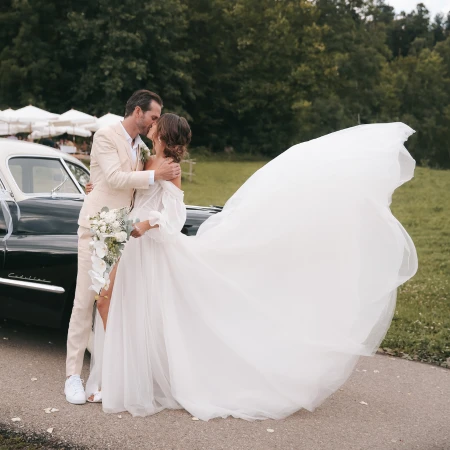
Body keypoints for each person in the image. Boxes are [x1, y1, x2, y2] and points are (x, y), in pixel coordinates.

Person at [84, 117, 418, 421]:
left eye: (157, 123)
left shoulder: (171, 167)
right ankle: (127, 381)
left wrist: (146, 224)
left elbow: (175, 216)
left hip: (153, 249)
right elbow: (126, 185)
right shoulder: (145, 159)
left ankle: (162, 382)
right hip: (134, 249)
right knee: (134, 312)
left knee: (160, 315)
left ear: (162, 134)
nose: (151, 125)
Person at [65, 90, 182, 405]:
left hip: (121, 229)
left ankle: (108, 374)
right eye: (154, 117)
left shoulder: (143, 148)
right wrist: (154, 174)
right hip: (99, 223)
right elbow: (115, 177)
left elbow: (111, 180)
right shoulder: (106, 135)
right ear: (139, 112)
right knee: (84, 300)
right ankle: (72, 377)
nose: (156, 122)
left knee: (112, 305)